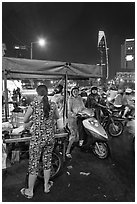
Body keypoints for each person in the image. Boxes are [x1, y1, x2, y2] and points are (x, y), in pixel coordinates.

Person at [20, 85, 59, 199]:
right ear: (47, 92)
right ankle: (46, 187)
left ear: (37, 93)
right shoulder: (53, 104)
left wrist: (34, 119)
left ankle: (30, 191)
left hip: (37, 139)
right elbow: (57, 117)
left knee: (34, 163)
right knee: (47, 161)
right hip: (50, 138)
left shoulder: (34, 104)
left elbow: (25, 120)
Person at [66, 86, 85, 158]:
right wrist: (74, 114)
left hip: (80, 117)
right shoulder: (70, 99)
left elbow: (83, 107)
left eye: (77, 91)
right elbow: (69, 110)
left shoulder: (80, 98)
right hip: (73, 119)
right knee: (73, 135)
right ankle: (67, 151)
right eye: (74, 91)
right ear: (72, 92)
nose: (75, 93)